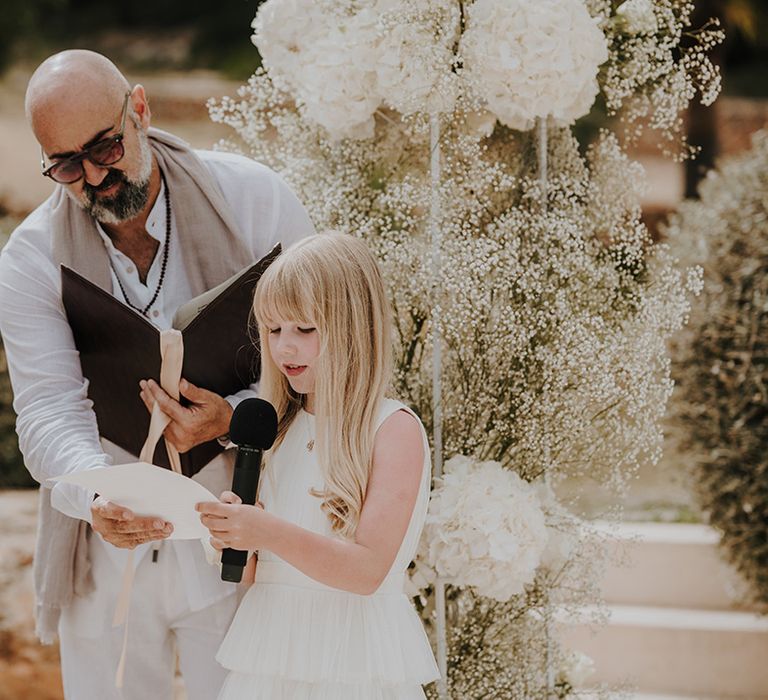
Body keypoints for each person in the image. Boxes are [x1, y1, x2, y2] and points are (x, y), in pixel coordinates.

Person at [0, 50, 315, 700]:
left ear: (138, 110)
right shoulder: (30, 259)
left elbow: (324, 364)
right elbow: (47, 411)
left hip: (242, 537)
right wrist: (95, 494)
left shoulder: (255, 201)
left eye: (105, 149)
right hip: (107, 561)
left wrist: (235, 420)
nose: (91, 178)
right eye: (65, 165)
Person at [197, 232, 440, 699]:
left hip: (353, 662)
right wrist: (236, 536)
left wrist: (265, 530)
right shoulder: (275, 429)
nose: (284, 348)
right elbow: (255, 575)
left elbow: (366, 572)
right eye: (273, 330)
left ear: (353, 327)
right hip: (271, 657)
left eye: (304, 329)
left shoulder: (393, 430)